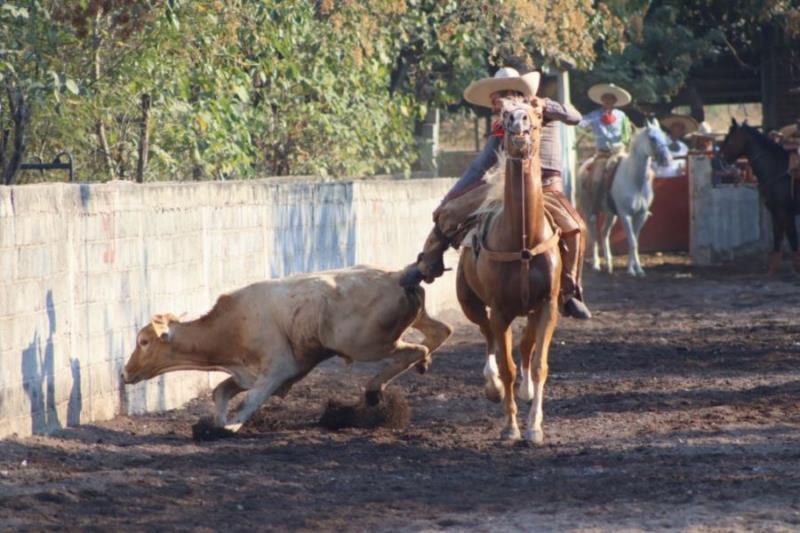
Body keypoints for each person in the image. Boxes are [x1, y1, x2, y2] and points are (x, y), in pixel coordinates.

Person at [399, 67, 592, 319]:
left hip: (546, 185)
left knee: (576, 227)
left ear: (513, 93)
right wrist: (451, 198)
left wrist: (546, 105)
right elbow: (481, 165)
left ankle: (570, 291)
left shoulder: (542, 110)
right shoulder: (503, 124)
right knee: (449, 213)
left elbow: (575, 117)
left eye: (497, 95)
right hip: (505, 185)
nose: (493, 101)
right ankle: (427, 264)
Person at [578, 83, 633, 213]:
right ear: (602, 100)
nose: (609, 101)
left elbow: (627, 133)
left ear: (615, 101)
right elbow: (582, 123)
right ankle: (594, 208)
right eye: (606, 98)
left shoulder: (622, 116)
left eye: (611, 98)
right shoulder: (595, 114)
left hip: (619, 152)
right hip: (603, 154)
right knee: (596, 179)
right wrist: (575, 120)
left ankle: (638, 203)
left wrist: (625, 140)